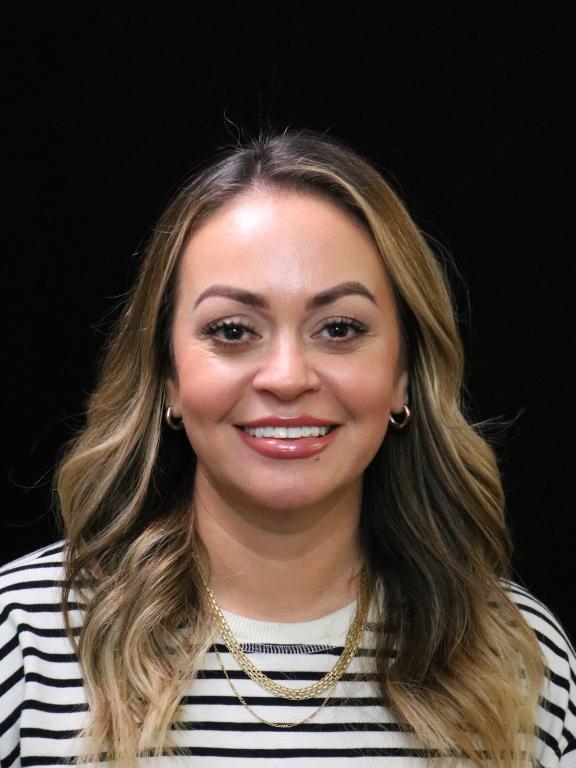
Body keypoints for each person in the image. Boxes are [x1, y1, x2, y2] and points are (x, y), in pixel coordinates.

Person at [0, 130, 574, 768]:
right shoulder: (22, 640)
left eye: (339, 328)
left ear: (404, 375)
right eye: (232, 330)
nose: (287, 377)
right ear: (168, 377)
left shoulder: (518, 655)